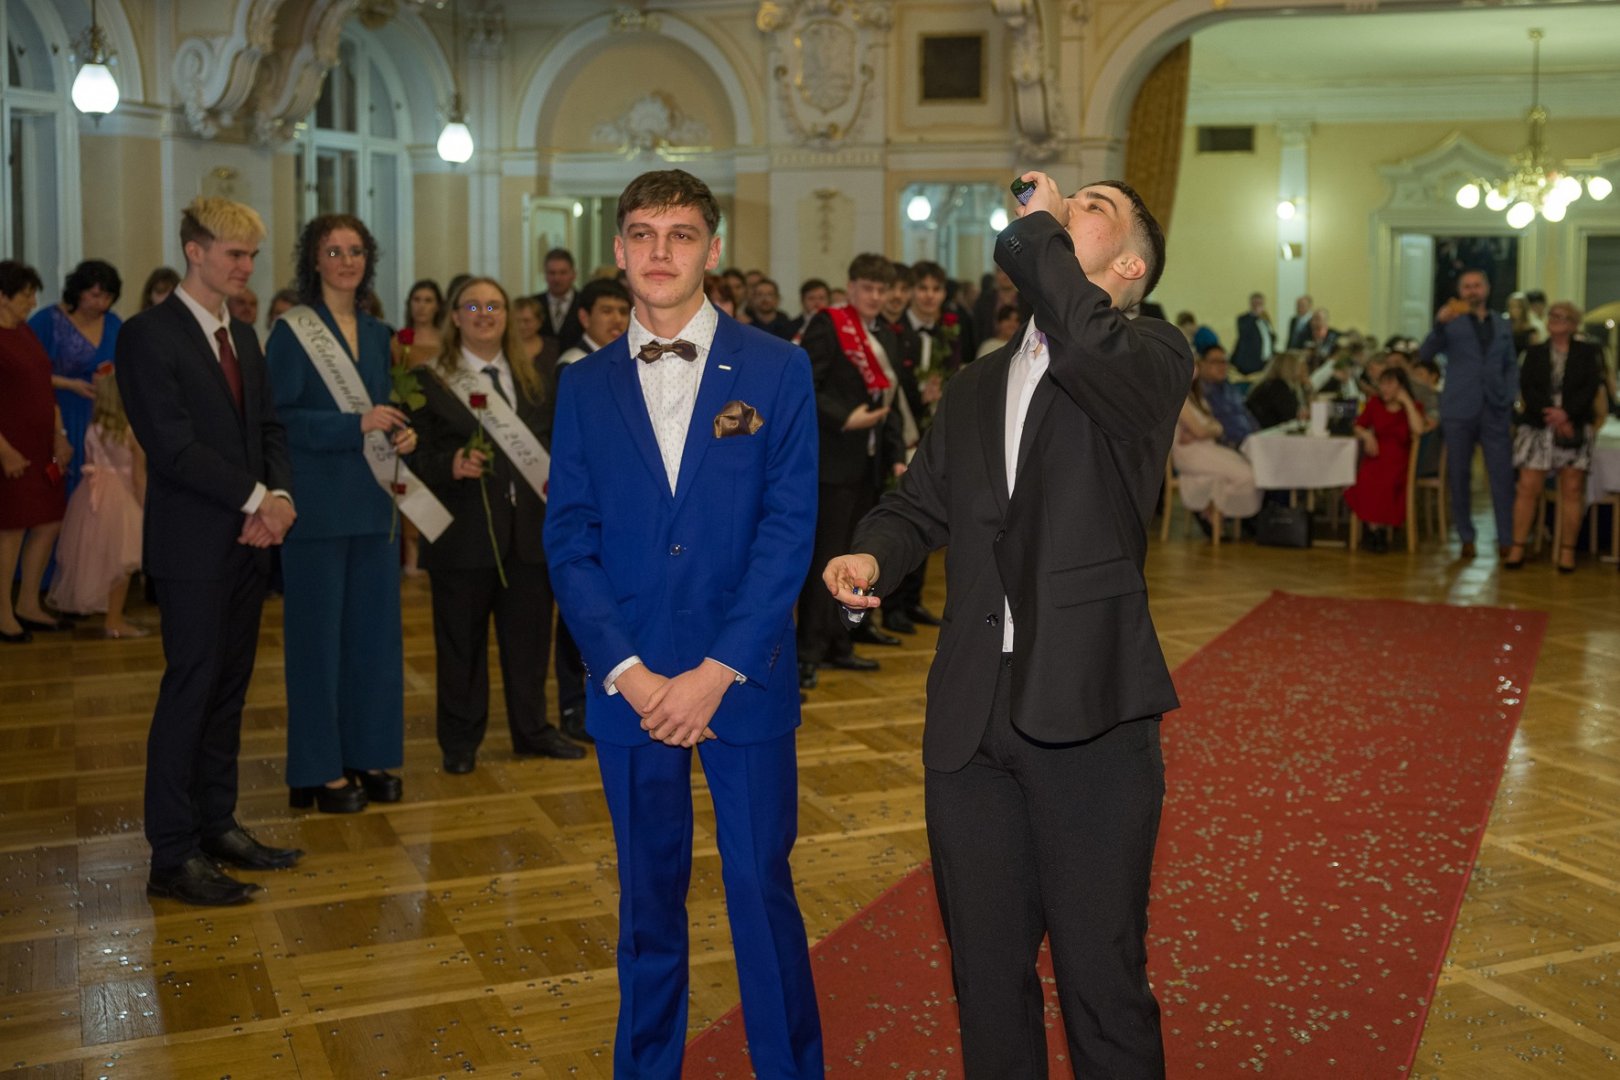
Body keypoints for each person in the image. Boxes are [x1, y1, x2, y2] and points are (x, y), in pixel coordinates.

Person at [825, 172, 1187, 1077]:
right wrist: (871, 554)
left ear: (1131, 267)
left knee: (1101, 978)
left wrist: (1037, 235)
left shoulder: (1150, 357)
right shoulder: (979, 382)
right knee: (986, 979)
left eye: (1093, 209)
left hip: (1090, 712)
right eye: (1068, 203)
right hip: (971, 715)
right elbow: (919, 505)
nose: (1068, 211)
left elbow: (1088, 338)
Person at [545, 167, 823, 1079]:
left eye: (681, 234)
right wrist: (626, 672)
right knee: (646, 902)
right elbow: (570, 540)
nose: (660, 252)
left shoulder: (777, 367)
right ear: (619, 249)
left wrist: (716, 670)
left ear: (713, 248)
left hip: (741, 680)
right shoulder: (582, 386)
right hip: (630, 686)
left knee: (760, 892)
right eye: (643, 234)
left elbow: (789, 531)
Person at [118, 196, 303, 906]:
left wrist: (279, 498)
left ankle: (216, 824)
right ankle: (171, 854)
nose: (247, 266)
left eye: (252, 255)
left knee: (228, 692)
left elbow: (269, 430)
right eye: (234, 254)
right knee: (189, 693)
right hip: (192, 547)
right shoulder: (147, 335)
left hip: (249, 543)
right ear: (195, 251)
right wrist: (258, 499)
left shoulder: (243, 335)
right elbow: (171, 447)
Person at [267, 213, 417, 814]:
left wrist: (403, 433)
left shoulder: (381, 334)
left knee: (374, 643)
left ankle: (367, 752)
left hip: (375, 506)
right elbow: (278, 419)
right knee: (316, 645)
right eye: (334, 251)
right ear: (314, 260)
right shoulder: (292, 331)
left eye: (356, 250)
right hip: (317, 508)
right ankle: (315, 770)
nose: (346, 261)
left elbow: (390, 408)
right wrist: (352, 424)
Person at [410, 277, 585, 773]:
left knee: (529, 645)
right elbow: (413, 455)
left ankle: (532, 731)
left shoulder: (535, 379)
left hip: (528, 537)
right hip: (461, 538)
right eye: (473, 306)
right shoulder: (430, 381)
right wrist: (449, 464)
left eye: (494, 305)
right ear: (455, 317)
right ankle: (460, 742)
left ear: (508, 316)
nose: (484, 314)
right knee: (460, 647)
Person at [796, 253, 907, 688]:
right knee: (825, 559)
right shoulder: (829, 326)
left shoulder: (888, 337)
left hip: (869, 465)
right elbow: (806, 384)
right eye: (868, 288)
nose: (875, 297)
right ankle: (808, 651)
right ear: (851, 287)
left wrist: (897, 453)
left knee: (859, 558)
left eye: (882, 289)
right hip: (833, 460)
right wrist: (845, 418)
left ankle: (842, 643)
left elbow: (889, 405)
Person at [1419, 268, 1518, 560]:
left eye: (1477, 285)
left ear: (1486, 288)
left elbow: (1510, 364)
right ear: (1460, 292)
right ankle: (1466, 536)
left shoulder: (1502, 324)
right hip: (1459, 407)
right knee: (1459, 474)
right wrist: (1439, 324)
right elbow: (1425, 354)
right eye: (1467, 286)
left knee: (1501, 476)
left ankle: (1507, 537)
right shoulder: (1451, 322)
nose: (1472, 291)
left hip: (1495, 408)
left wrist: (1509, 397)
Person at [1505, 301, 1606, 573]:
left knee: (1572, 488)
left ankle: (1567, 551)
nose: (1555, 320)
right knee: (1527, 487)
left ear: (1573, 324)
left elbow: (1590, 388)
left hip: (1573, 427)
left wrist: (1567, 415)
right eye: (1553, 315)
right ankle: (1517, 546)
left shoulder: (1588, 353)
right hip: (1538, 425)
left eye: (1562, 316)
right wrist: (1551, 414)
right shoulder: (1534, 352)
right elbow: (1528, 387)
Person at [0, 260, 71, 643]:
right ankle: (3, 614)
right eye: (25, 295)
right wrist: (5, 452)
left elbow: (44, 386)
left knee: (48, 523)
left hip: (41, 446)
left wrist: (59, 435)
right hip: (11, 449)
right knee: (10, 530)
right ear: (2, 296)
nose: (32, 302)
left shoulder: (24, 331)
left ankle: (28, 603)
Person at [46, 370, 148, 636]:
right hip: (121, 500)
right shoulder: (131, 433)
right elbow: (139, 478)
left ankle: (112, 615)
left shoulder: (93, 429)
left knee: (101, 558)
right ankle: (114, 620)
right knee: (123, 563)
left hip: (91, 497)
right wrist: (145, 507)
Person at [31, 259, 124, 495]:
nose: (101, 303)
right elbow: (27, 374)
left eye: (107, 297)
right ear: (78, 291)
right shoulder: (48, 322)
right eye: (95, 295)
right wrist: (69, 384)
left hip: (102, 416)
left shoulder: (113, 323)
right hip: (60, 413)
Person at [1345, 367, 1425, 553]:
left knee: (1386, 481)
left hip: (1399, 459)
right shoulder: (1374, 404)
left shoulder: (1413, 407)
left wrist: (1406, 402)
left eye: (1389, 384)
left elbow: (1418, 430)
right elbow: (1358, 425)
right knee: (1366, 478)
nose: (1384, 389)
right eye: (1382, 384)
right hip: (1376, 456)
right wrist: (1367, 435)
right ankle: (1375, 529)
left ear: (1401, 386)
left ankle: (1377, 529)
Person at [1176, 371, 1263, 528]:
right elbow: (1201, 431)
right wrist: (1207, 430)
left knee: (1253, 470)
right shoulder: (1179, 400)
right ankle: (1215, 509)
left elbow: (1215, 427)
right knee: (1246, 476)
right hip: (1191, 454)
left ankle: (1216, 507)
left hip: (1207, 448)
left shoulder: (1196, 397)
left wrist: (1207, 430)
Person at [555, 278, 631, 370]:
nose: (618, 319)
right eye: (607, 311)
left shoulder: (630, 359)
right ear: (585, 318)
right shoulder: (573, 365)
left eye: (623, 312)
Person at [1194, 345, 1256, 448]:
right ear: (1202, 364)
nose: (1222, 366)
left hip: (1251, 441)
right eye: (1215, 362)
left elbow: (1246, 414)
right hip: (1227, 446)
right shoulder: (1198, 394)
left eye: (1224, 362)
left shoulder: (1231, 388)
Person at [1244, 350, 1310, 430]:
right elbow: (1291, 416)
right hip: (1262, 432)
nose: (1304, 371)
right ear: (1290, 368)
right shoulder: (1277, 387)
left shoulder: (1275, 385)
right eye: (1301, 367)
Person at [536, 248, 583, 352]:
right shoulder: (535, 304)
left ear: (573, 274)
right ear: (545, 275)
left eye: (563, 273)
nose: (557, 278)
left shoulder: (584, 302)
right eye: (552, 273)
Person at [392, 279, 444, 369]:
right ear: (409, 304)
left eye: (428, 301)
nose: (421, 306)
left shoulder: (447, 340)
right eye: (416, 300)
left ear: (437, 306)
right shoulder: (398, 341)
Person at [511, 295, 561, 373]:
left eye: (527, 321)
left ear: (539, 321)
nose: (521, 326)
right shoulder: (503, 346)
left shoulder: (552, 347)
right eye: (516, 321)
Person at [1231, 291, 1275, 376]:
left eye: (1260, 303)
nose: (1257, 306)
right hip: (1250, 362)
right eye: (1255, 303)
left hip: (1265, 360)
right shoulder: (1243, 319)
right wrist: (1255, 315)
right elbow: (1244, 332)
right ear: (1251, 304)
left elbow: (1271, 337)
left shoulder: (1264, 320)